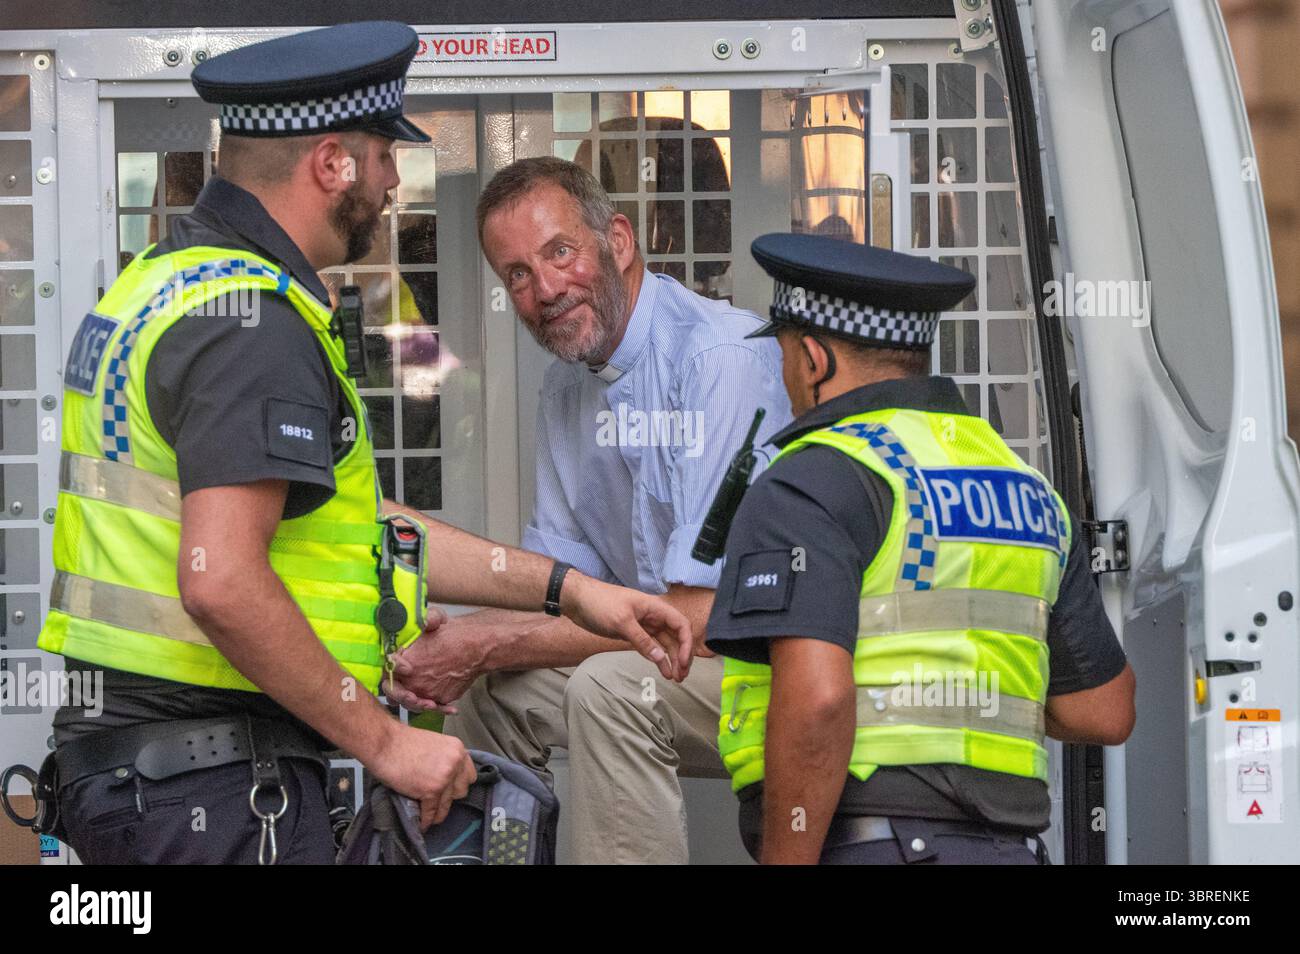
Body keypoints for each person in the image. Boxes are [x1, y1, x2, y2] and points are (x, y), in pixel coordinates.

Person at [38, 22, 692, 866]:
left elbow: (350, 522)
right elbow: (224, 583)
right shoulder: (254, 323)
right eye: (385, 156)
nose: (393, 182)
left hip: (151, 776)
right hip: (206, 786)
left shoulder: (161, 281)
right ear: (331, 163)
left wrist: (569, 590)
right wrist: (387, 743)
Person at [384, 157, 792, 863]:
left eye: (559, 252)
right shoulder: (566, 390)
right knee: (492, 694)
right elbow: (562, 592)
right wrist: (458, 644)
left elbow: (695, 619)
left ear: (621, 242)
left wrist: (483, 641)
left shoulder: (720, 359)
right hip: (663, 656)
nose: (543, 288)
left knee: (609, 687)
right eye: (516, 274)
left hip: (767, 665)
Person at [703, 233, 1136, 864]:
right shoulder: (1031, 492)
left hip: (875, 848)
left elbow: (820, 699)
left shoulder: (812, 478)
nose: (785, 375)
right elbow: (1104, 708)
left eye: (785, 354)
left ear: (815, 359)